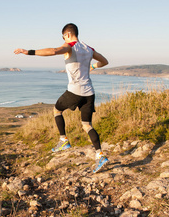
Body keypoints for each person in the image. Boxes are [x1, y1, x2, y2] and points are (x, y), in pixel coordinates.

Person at [14, 23, 109, 173]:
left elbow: (53, 51)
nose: (63, 40)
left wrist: (28, 52)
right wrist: (93, 67)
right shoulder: (89, 49)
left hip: (75, 91)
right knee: (87, 125)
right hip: (89, 93)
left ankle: (64, 140)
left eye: (63, 37)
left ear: (68, 34)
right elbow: (105, 61)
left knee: (57, 110)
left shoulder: (70, 46)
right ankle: (100, 155)